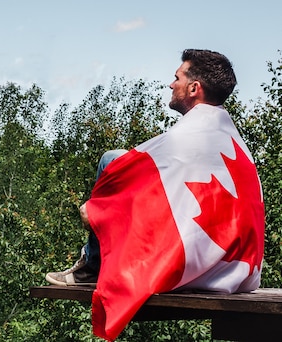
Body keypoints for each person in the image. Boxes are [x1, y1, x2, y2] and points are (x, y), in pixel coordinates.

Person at [44, 49, 264, 340]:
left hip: (199, 269)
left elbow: (138, 170)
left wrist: (101, 209)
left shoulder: (187, 137)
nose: (171, 84)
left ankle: (93, 266)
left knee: (112, 160)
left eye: (177, 78)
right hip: (240, 272)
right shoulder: (232, 140)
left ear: (194, 88)